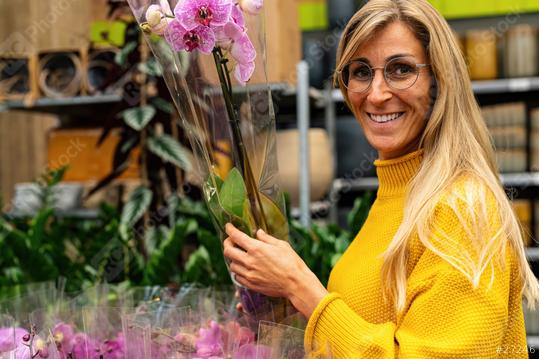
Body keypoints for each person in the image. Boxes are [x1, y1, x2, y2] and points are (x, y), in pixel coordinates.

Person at [223, 0, 539, 357]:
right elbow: (372, 327)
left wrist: (303, 288)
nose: (376, 94)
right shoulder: (395, 196)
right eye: (360, 72)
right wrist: (288, 306)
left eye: (400, 69)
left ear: (440, 80)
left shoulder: (462, 208)